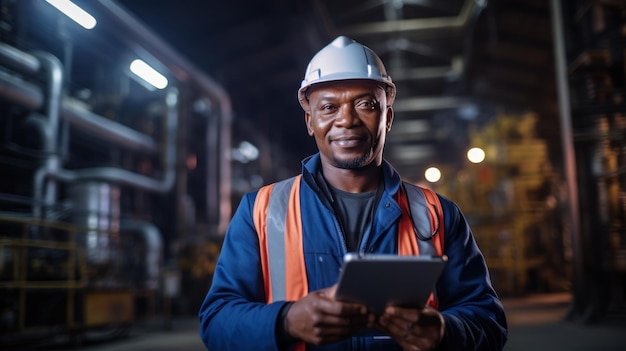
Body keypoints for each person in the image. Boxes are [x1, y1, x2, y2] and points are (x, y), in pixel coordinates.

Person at [198, 35, 508, 351]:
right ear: (310, 120)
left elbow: (489, 322)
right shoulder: (261, 211)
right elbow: (216, 322)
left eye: (366, 104)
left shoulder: (438, 214)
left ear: (388, 117)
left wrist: (446, 331)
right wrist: (286, 320)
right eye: (329, 107)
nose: (346, 120)